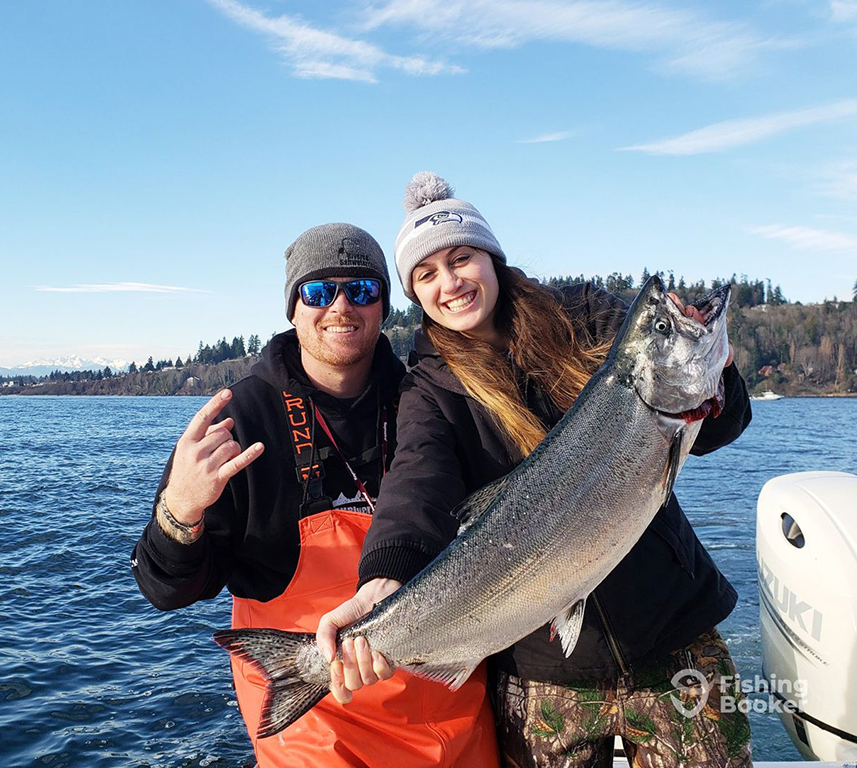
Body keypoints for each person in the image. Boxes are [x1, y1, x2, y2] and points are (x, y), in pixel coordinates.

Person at [317, 174, 754, 767]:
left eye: (461, 258)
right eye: (427, 274)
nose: (450, 283)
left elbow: (716, 430)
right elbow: (416, 481)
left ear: (492, 257)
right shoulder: (430, 390)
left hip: (672, 632)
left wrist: (715, 377)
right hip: (542, 670)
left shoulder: (584, 314)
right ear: (416, 295)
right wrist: (385, 575)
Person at [131, 222, 498, 767]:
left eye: (363, 290)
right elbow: (169, 589)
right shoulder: (239, 420)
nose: (342, 307)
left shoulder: (429, 403)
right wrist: (180, 510)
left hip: (456, 715)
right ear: (293, 308)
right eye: (320, 291)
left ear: (383, 307)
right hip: (319, 730)